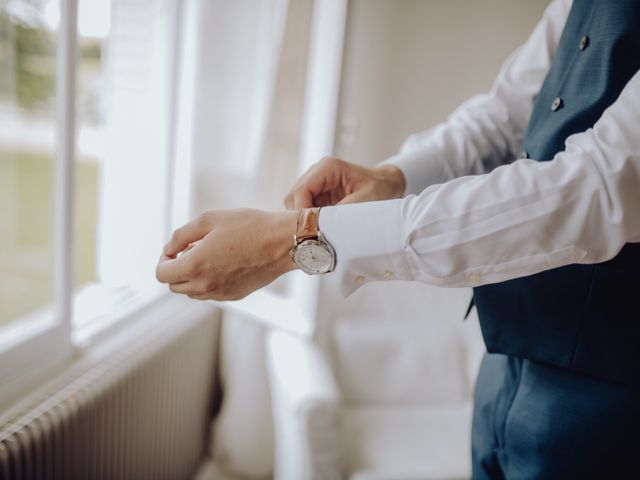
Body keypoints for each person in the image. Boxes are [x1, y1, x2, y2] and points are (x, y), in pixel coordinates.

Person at [156, 0, 640, 477]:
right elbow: (504, 117)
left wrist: (295, 240)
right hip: (506, 363)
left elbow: (597, 186)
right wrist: (392, 177)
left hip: (609, 391)